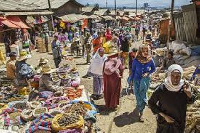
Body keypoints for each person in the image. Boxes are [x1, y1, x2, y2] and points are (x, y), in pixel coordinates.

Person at [148, 64, 195, 133]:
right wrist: (165, 116)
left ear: (181, 76)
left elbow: (191, 101)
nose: (175, 79)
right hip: (164, 123)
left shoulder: (184, 88)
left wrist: (189, 94)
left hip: (178, 124)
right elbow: (151, 103)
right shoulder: (161, 89)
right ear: (169, 75)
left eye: (178, 76)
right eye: (172, 76)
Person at [130, 45, 156, 122]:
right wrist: (131, 80)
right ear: (140, 52)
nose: (145, 53)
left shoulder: (150, 60)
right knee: (137, 95)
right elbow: (133, 70)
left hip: (145, 80)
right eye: (143, 51)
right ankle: (139, 105)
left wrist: (148, 73)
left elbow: (153, 69)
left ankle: (141, 113)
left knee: (143, 94)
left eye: (146, 51)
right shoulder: (135, 60)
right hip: (136, 80)